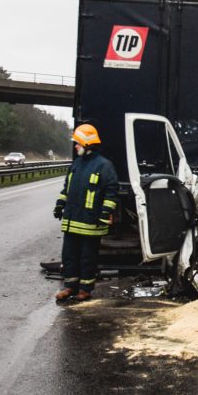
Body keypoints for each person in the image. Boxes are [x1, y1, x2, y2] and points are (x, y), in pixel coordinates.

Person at [53, 123, 119, 303]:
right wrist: (60, 204)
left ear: (87, 144)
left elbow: (111, 191)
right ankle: (70, 286)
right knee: (69, 255)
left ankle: (85, 289)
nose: (75, 146)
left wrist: (106, 212)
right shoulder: (76, 164)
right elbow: (67, 188)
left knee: (87, 258)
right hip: (72, 221)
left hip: (91, 223)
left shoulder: (104, 166)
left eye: (78, 143)